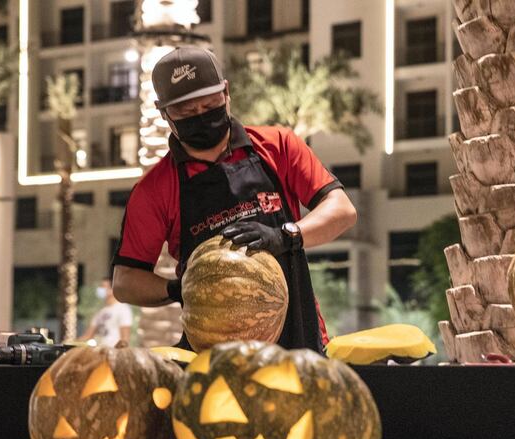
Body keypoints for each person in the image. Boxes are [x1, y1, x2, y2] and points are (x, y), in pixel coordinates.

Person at [111, 46, 357, 353]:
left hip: (299, 343)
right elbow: (124, 280)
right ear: (164, 111)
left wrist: (286, 236)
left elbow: (342, 209)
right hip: (210, 355)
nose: (201, 115)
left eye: (210, 104)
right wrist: (179, 289)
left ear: (226, 92)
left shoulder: (277, 146)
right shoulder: (154, 190)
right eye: (187, 112)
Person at [79, 278, 133, 347]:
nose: (100, 289)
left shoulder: (123, 309)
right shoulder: (100, 311)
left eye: (103, 287)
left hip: (113, 352)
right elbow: (87, 336)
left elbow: (125, 338)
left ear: (112, 289)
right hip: (99, 352)